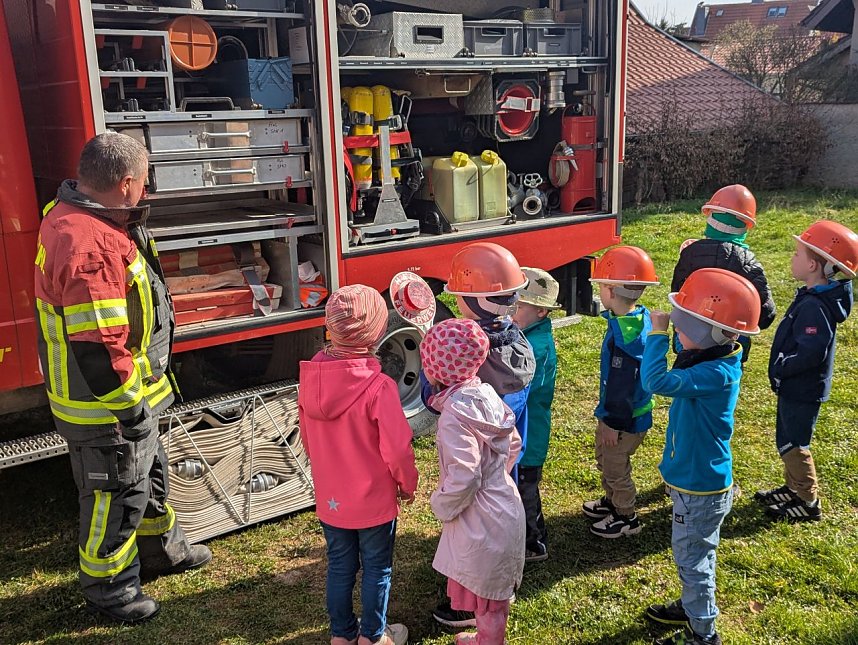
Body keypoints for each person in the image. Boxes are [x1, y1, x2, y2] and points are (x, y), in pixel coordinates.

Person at [33, 133, 211, 624]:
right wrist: (131, 411)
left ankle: (161, 551)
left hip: (128, 397)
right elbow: (97, 348)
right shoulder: (88, 244)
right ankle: (110, 589)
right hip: (105, 407)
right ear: (127, 183)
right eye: (145, 181)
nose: (147, 192)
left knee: (149, 479)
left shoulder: (81, 217)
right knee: (114, 495)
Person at [642, 268, 761, 645]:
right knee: (693, 555)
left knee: (694, 561)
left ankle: (703, 632)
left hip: (700, 490)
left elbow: (655, 382)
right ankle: (693, 606)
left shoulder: (714, 373)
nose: (676, 335)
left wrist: (657, 335)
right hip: (695, 483)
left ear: (710, 332)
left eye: (681, 329)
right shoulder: (711, 360)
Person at [298, 284, 418, 645]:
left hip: (331, 498)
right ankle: (373, 636)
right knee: (377, 569)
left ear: (328, 327)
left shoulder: (311, 378)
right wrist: (407, 483)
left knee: (339, 567)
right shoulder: (379, 386)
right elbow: (397, 449)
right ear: (378, 332)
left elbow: (306, 436)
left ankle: (342, 635)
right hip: (374, 501)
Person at [429, 242, 535, 629]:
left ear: (472, 300)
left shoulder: (470, 354)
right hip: (504, 472)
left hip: (475, 495)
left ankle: (465, 607)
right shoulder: (517, 341)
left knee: (475, 549)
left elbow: (464, 475)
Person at [421, 318, 525, 645]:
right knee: (490, 593)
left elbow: (465, 476)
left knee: (487, 597)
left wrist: (441, 505)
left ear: (436, 370)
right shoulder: (486, 395)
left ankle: (490, 641)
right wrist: (498, 478)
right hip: (505, 504)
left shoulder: (454, 416)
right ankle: (485, 637)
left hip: (480, 520)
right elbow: (515, 443)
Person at [756, 220, 857, 523]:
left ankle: (808, 500)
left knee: (794, 443)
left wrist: (783, 367)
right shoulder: (815, 296)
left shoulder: (815, 305)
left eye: (797, 254)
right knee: (786, 438)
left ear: (813, 264)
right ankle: (793, 488)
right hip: (795, 387)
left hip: (801, 388)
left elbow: (812, 351)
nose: (792, 259)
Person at [583, 246, 659, 538]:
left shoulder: (626, 338)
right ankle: (612, 500)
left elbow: (621, 387)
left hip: (624, 418)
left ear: (612, 291)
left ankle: (626, 515)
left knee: (615, 465)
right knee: (605, 457)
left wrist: (612, 423)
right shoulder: (636, 318)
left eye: (602, 285)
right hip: (622, 414)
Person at [671, 184, 776, 363]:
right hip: (729, 342)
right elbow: (766, 314)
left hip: (689, 337)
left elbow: (678, 292)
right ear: (746, 226)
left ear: (710, 217)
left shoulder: (691, 253)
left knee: (686, 381)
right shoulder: (748, 261)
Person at [512, 268, 560, 562]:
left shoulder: (536, 346)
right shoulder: (527, 333)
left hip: (529, 435)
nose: (511, 311)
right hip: (523, 431)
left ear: (541, 311)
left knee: (526, 488)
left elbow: (521, 386)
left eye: (518, 306)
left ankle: (534, 542)